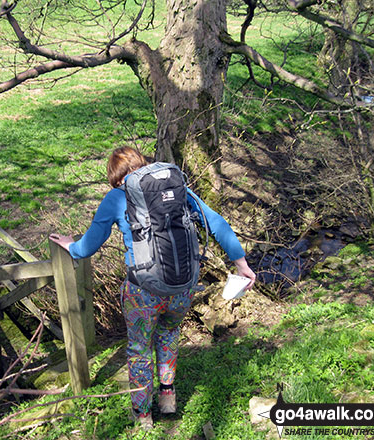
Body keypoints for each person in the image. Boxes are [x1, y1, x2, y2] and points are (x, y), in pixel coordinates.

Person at [50, 146, 256, 430]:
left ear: (116, 177)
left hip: (143, 292)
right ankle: (168, 397)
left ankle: (143, 414)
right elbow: (216, 223)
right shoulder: (178, 188)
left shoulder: (116, 198)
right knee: (169, 333)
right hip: (182, 287)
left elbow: (87, 247)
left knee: (139, 350)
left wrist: (70, 247)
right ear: (143, 164)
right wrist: (242, 264)